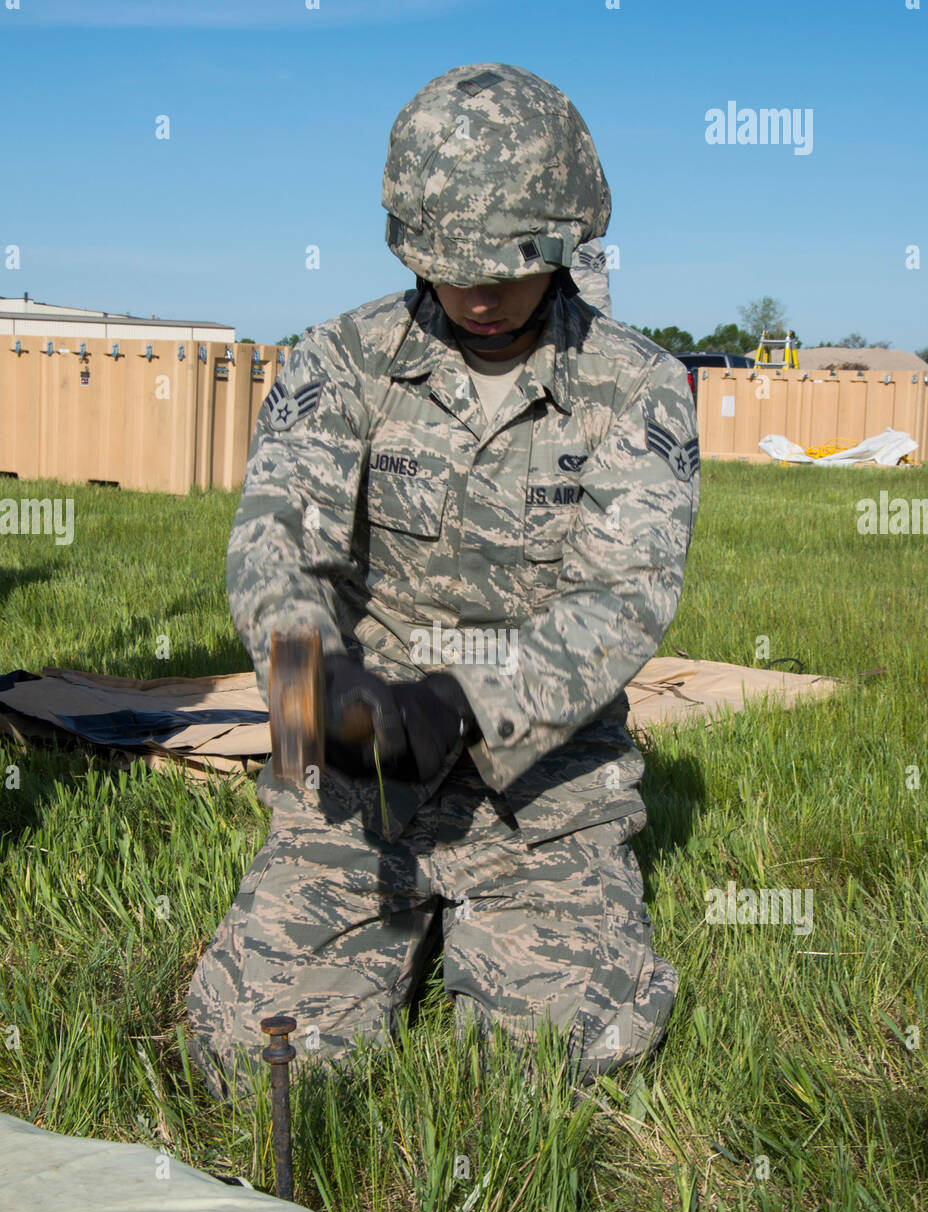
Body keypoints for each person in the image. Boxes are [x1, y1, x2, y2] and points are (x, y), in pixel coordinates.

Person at [186, 62, 700, 1099]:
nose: (475, 293)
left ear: (566, 241)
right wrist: (313, 692)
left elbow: (622, 595)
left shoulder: (635, 386)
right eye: (448, 264)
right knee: (262, 1059)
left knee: (548, 1065)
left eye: (506, 267)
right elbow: (276, 543)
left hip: (541, 787)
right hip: (358, 770)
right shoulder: (341, 362)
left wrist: (470, 703)